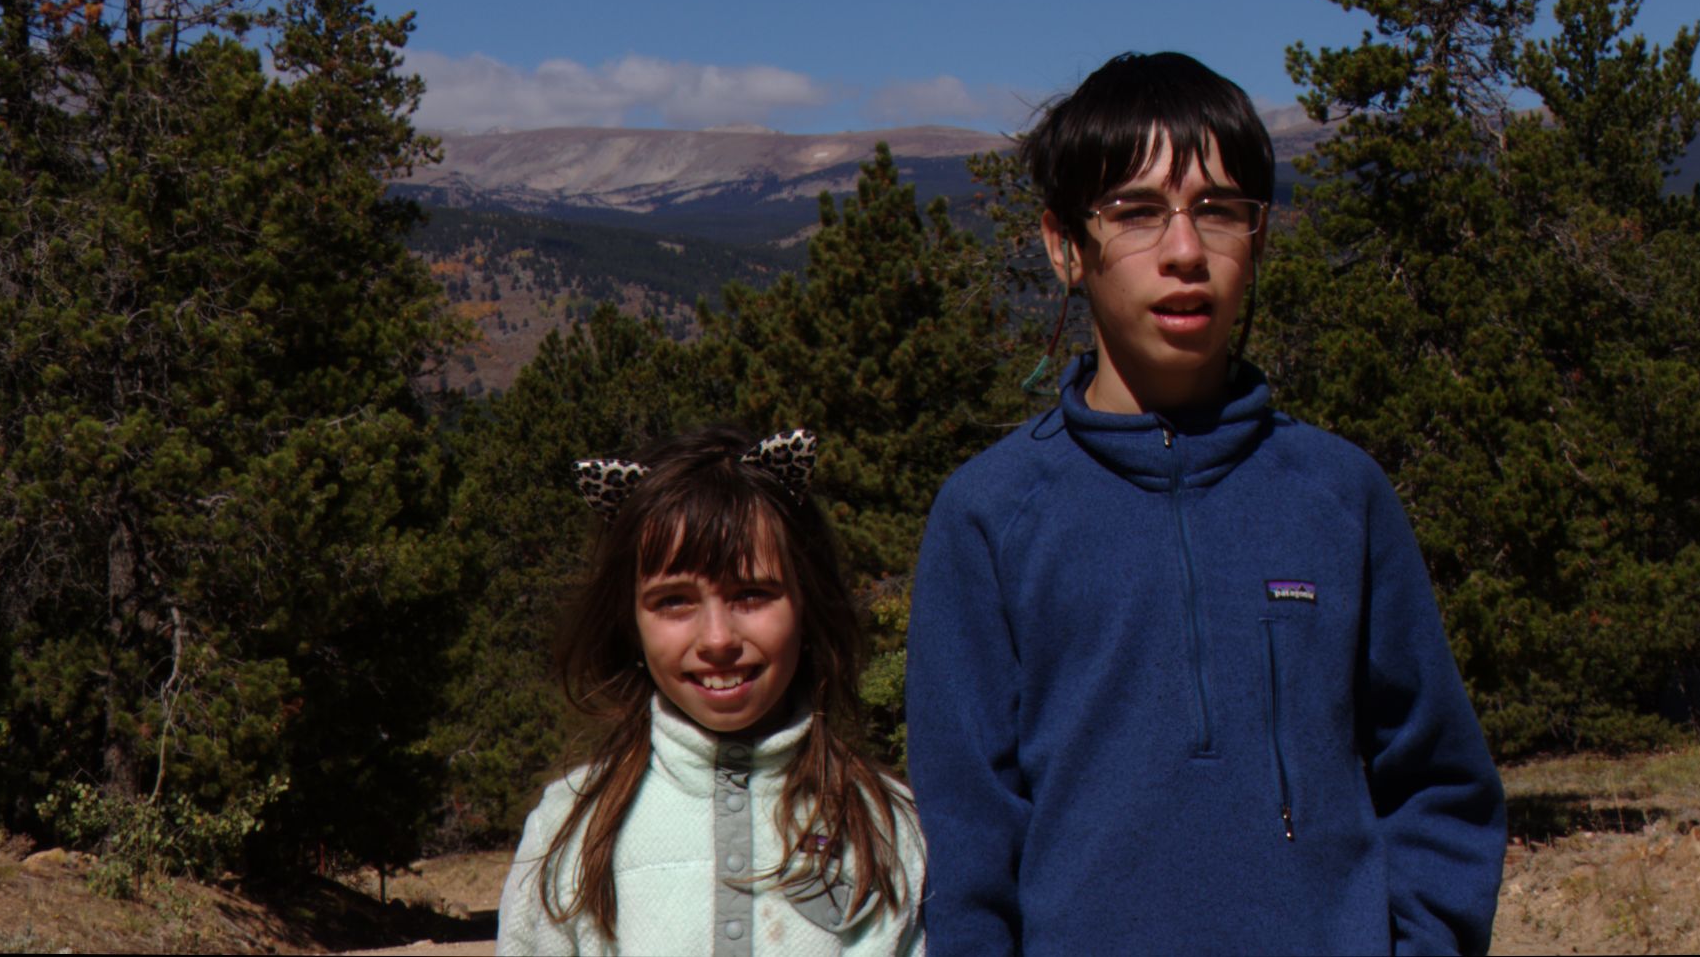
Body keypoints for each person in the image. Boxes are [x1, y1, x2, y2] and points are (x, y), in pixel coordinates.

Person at [904, 52, 1505, 955]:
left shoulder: (1339, 495)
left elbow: (1437, 785)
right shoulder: (990, 515)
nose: (1184, 252)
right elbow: (967, 844)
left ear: (1257, 239)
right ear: (1064, 246)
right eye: (1135, 212)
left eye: (1219, 211)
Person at [498, 426, 925, 956]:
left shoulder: (882, 822)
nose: (718, 639)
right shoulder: (570, 827)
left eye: (751, 594)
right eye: (674, 601)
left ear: (807, 605)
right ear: (630, 622)